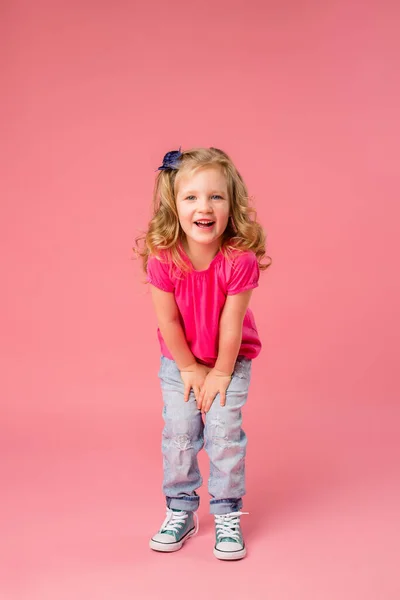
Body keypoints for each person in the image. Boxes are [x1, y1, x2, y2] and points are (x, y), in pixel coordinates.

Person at [134, 146, 271, 560]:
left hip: (230, 361)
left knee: (224, 434)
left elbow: (232, 325)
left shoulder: (239, 259)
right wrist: (190, 367)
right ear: (173, 206)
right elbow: (169, 323)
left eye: (216, 196)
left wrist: (220, 374)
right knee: (179, 433)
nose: (204, 206)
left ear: (232, 204)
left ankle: (227, 512)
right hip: (181, 362)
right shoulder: (163, 259)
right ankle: (181, 509)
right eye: (191, 197)